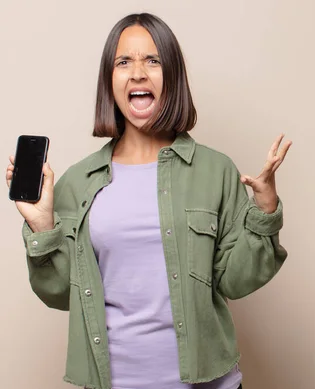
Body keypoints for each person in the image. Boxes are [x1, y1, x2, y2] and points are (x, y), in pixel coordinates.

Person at [5, 12, 291, 389]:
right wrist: (42, 226)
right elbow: (60, 294)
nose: (138, 73)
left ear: (172, 76)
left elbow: (236, 281)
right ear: (110, 81)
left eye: (152, 60)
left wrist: (265, 211)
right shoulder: (78, 182)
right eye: (124, 62)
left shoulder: (215, 170)